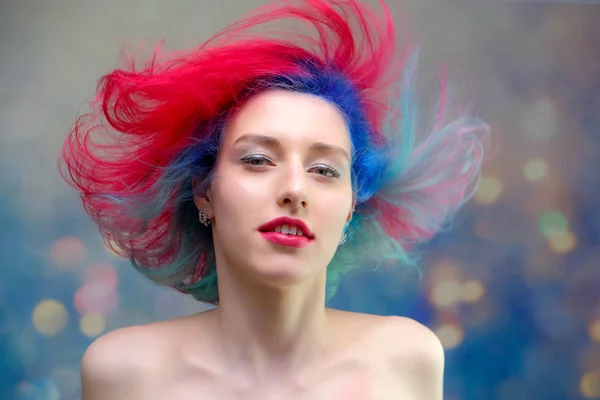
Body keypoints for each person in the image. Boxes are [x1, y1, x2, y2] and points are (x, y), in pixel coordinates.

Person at [59, 0, 487, 398]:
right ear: (203, 190)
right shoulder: (125, 374)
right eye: (259, 160)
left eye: (324, 170)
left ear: (352, 207)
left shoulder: (407, 359)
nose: (294, 190)